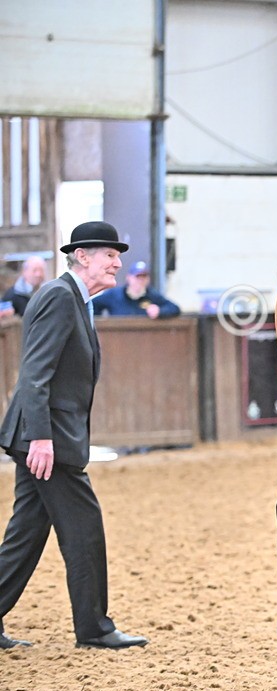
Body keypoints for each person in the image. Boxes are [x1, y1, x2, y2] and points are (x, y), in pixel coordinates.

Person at [0, 221, 148, 650]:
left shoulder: (74, 299)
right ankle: (95, 628)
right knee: (84, 528)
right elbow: (34, 372)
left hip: (46, 436)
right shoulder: (60, 296)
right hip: (48, 440)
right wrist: (41, 438)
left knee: (26, 534)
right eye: (110, 255)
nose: (117, 264)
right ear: (82, 256)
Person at [92, 261, 180, 318]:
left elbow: (174, 308)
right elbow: (93, 305)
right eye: (137, 276)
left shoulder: (152, 295)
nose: (141, 280)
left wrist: (160, 311)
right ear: (129, 278)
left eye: (144, 277)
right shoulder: (114, 295)